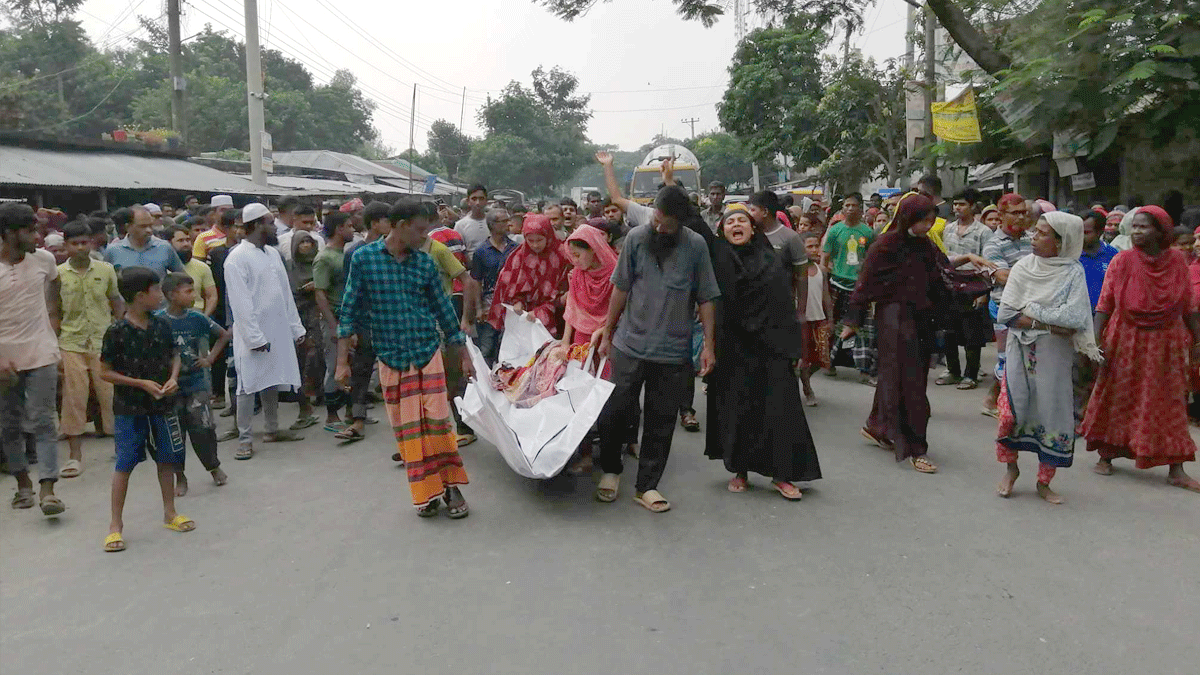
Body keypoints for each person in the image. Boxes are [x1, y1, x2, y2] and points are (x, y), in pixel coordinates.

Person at [592, 151, 720, 513]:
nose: (659, 228)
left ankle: (646, 486)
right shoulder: (636, 238)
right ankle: (611, 470)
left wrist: (709, 346)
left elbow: (707, 297)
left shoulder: (695, 246)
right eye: (656, 220)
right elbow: (620, 288)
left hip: (672, 351)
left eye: (666, 224)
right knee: (616, 410)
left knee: (661, 421)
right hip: (629, 345)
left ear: (680, 221)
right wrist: (607, 330)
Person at [335, 200, 474, 519]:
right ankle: (428, 492)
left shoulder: (425, 263)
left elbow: (445, 313)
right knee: (409, 431)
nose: (425, 236)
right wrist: (342, 362)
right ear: (399, 225)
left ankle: (451, 487)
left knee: (438, 425)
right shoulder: (364, 259)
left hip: (427, 352)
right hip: (390, 357)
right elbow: (349, 309)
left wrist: (464, 356)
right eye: (420, 230)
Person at [843, 195, 994, 474]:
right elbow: (864, 283)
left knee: (900, 377)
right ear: (907, 218)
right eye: (923, 221)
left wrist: (979, 279)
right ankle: (914, 447)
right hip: (894, 320)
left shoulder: (925, 246)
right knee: (908, 383)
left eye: (930, 221)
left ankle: (878, 426)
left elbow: (944, 273)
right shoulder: (884, 246)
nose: (927, 226)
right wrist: (852, 320)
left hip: (922, 320)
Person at [705, 204, 821, 499]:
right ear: (722, 231)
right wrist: (709, 348)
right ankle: (740, 470)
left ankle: (782, 475)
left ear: (753, 228)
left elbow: (784, 306)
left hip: (772, 346)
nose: (736, 225)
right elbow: (711, 306)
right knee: (737, 408)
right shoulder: (717, 261)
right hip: (733, 347)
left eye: (742, 220)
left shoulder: (771, 260)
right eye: (730, 222)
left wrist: (793, 347)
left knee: (779, 408)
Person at [1081, 206, 1200, 492]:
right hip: (1125, 338)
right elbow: (1105, 304)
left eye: (1143, 227)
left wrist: (1197, 342)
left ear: (1161, 231)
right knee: (1118, 395)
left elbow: (1189, 306)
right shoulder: (1121, 261)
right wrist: (1095, 342)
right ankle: (1106, 455)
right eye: (1134, 226)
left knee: (1170, 401)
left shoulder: (1177, 262)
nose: (1136, 232)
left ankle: (1176, 467)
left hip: (1167, 342)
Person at [994, 212, 1102, 504]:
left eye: (1043, 234)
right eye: (1036, 231)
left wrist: (1030, 311)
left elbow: (1074, 319)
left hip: (1054, 356)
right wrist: (1049, 324)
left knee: (1052, 413)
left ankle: (1044, 482)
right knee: (1012, 412)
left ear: (1061, 241)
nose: (1034, 238)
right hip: (1020, 351)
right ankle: (1011, 470)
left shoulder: (1072, 273)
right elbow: (1006, 313)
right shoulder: (1023, 267)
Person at [98, 267, 194, 552]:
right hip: (130, 408)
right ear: (140, 296)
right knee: (124, 464)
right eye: (155, 291)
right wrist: (140, 383)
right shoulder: (116, 331)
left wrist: (173, 378)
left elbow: (174, 355)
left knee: (166, 458)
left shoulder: (162, 325)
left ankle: (170, 512)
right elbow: (105, 372)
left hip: (163, 404)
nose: (160, 296)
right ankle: (115, 525)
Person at [223, 202, 307, 460]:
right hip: (253, 334)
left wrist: (295, 327)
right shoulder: (236, 258)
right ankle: (245, 439)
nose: (275, 227)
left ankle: (272, 430)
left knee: (272, 380)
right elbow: (240, 303)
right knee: (248, 385)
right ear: (257, 225)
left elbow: (285, 294)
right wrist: (254, 338)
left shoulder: (272, 253)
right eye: (270, 223)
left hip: (277, 329)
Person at [0, 203, 66, 516]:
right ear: (8, 233)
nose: (37, 237)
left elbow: (54, 292)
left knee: (43, 420)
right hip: (4, 361)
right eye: (29, 231)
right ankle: (23, 484)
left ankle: (48, 490)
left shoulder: (44, 260)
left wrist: (52, 329)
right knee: (9, 424)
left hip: (41, 352)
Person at [56, 220, 122, 479]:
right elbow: (54, 310)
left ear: (91, 243)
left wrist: (120, 329)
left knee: (110, 394)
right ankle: (75, 456)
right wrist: (54, 344)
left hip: (102, 341)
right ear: (66, 246)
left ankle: (123, 448)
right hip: (71, 343)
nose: (81, 248)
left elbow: (115, 300)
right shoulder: (58, 275)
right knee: (73, 398)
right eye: (75, 244)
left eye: (84, 243)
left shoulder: (105, 270)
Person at [156, 273, 230, 495]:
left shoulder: (197, 318)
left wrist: (209, 359)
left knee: (203, 427)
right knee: (175, 433)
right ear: (171, 295)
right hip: (170, 386)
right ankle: (180, 476)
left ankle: (213, 466)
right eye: (188, 291)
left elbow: (224, 335)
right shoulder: (158, 320)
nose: (194, 295)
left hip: (197, 383)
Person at [337, 201, 391, 443]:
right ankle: (357, 417)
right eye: (387, 220)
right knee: (361, 369)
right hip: (364, 321)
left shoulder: (393, 250)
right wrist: (351, 329)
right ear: (375, 223)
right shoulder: (356, 253)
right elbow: (349, 292)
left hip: (389, 319)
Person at [981, 193, 1033, 417]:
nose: (1021, 217)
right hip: (1004, 307)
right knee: (1006, 358)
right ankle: (994, 401)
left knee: (1023, 357)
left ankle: (1001, 400)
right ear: (1001, 215)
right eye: (1015, 213)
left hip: (1031, 305)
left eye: (1023, 212)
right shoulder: (993, 244)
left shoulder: (1033, 239)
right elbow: (1002, 276)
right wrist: (1038, 275)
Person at [938, 188, 994, 390]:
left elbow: (988, 263)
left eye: (962, 204)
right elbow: (945, 258)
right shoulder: (948, 229)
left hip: (974, 285)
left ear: (972, 206)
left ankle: (971, 374)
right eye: (955, 204)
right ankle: (953, 371)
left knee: (972, 334)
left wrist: (984, 293)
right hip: (951, 285)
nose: (957, 208)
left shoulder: (983, 232)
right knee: (949, 331)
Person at [486, 215, 571, 338]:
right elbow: (508, 286)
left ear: (548, 236)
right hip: (523, 321)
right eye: (530, 240)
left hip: (558, 321)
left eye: (539, 240)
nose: (535, 245)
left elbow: (568, 293)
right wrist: (517, 301)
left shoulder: (562, 256)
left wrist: (543, 310)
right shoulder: (519, 257)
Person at [822, 192, 876, 382]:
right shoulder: (835, 231)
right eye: (847, 205)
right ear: (842, 208)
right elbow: (825, 258)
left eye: (854, 205)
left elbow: (872, 260)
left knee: (864, 329)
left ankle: (864, 370)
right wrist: (823, 282)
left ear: (861, 209)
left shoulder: (868, 233)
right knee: (833, 326)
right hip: (837, 285)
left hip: (859, 289)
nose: (850, 209)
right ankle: (828, 363)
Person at [313, 212, 355, 436]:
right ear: (339, 229)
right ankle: (331, 415)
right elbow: (320, 293)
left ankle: (351, 412)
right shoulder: (325, 258)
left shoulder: (345, 254)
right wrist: (332, 324)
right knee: (333, 367)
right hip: (334, 318)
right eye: (349, 226)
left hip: (347, 318)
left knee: (350, 365)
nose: (352, 230)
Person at [471, 208, 518, 366]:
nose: (508, 224)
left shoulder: (515, 248)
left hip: (511, 305)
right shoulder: (481, 252)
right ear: (492, 225)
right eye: (504, 221)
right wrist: (479, 308)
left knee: (508, 348)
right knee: (486, 348)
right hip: (489, 305)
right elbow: (476, 281)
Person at [286, 229, 324, 431]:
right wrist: (303, 289)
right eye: (302, 242)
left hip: (317, 312)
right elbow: (288, 290)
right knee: (301, 357)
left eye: (309, 242)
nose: (306, 246)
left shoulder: (319, 263)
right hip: (296, 314)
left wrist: (318, 285)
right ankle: (304, 399)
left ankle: (321, 391)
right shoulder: (289, 266)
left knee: (319, 351)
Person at [104, 205, 185, 280]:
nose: (149, 230)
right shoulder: (113, 250)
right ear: (128, 227)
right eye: (143, 226)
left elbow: (182, 278)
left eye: (150, 226)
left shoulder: (165, 247)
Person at [797, 232, 832, 406]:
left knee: (821, 358)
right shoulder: (796, 270)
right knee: (804, 357)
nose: (814, 250)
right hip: (802, 320)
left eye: (816, 246)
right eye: (809, 246)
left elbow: (826, 296)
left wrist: (830, 319)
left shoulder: (821, 271)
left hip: (819, 318)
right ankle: (807, 389)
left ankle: (804, 377)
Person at [164, 225, 217, 316]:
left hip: (196, 314)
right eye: (180, 241)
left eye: (188, 240)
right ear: (168, 243)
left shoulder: (202, 267)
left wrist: (204, 318)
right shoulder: (163, 266)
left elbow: (211, 296)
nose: (186, 244)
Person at [192, 196, 234, 261]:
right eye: (223, 210)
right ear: (213, 214)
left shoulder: (240, 234)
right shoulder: (203, 238)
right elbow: (198, 264)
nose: (227, 213)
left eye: (230, 210)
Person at [455, 184, 490, 257]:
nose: (478, 203)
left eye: (481, 199)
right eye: (474, 199)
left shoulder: (494, 221)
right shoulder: (460, 225)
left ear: (486, 201)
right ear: (468, 201)